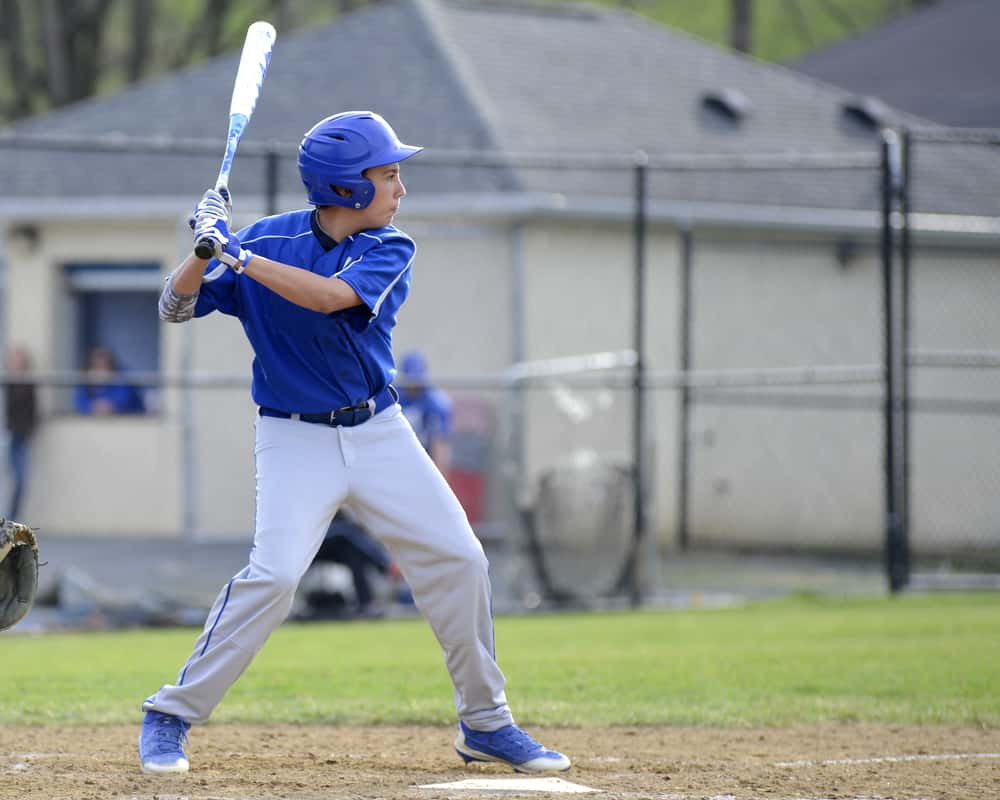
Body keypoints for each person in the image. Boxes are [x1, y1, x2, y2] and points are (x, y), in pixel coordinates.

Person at [139, 111, 570, 776]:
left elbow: (331, 298)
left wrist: (237, 255)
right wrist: (199, 251)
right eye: (388, 174)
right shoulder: (264, 238)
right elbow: (173, 307)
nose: (400, 187)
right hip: (292, 438)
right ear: (345, 188)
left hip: (378, 432)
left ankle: (486, 722)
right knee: (276, 575)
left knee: (461, 559)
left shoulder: (390, 247)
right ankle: (170, 713)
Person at [397, 349, 452, 474]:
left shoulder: (435, 403)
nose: (414, 386)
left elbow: (440, 444)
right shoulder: (393, 397)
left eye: (417, 380)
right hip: (397, 455)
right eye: (410, 381)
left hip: (425, 458)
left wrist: (441, 478)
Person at [3, 345, 39, 520]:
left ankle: (11, 519)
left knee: (20, 479)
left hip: (19, 437)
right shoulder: (5, 384)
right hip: (6, 436)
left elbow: (33, 412)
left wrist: (26, 430)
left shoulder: (27, 385)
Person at [73, 345, 145, 415]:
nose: (101, 371)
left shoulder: (123, 379)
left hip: (130, 422)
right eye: (97, 366)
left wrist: (110, 406)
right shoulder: (86, 382)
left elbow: (125, 399)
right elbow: (80, 403)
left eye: (105, 366)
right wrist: (93, 406)